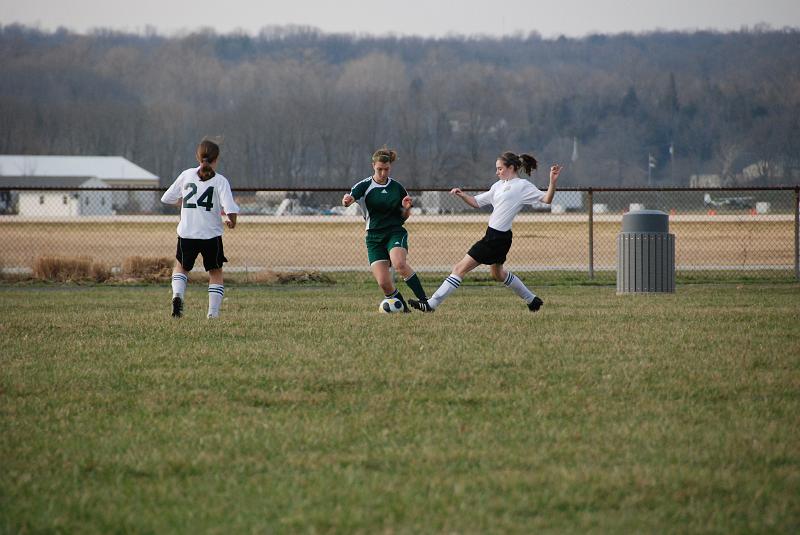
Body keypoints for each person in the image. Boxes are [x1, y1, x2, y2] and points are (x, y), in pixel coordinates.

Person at [409, 151, 562, 313]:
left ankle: (431, 304)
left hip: (496, 238)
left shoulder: (522, 186)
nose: (497, 172)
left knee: (459, 268)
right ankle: (532, 300)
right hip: (497, 237)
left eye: (500, 168)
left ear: (511, 167)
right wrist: (462, 195)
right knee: (498, 274)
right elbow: (476, 202)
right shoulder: (498, 186)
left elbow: (547, 199)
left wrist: (552, 181)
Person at [343, 147, 430, 312]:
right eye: (379, 169)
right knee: (384, 283)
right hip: (373, 237)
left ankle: (425, 302)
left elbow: (404, 216)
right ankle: (403, 309)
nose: (383, 173)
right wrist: (346, 201)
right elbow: (349, 200)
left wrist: (406, 208)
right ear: (373, 166)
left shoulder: (397, 188)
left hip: (394, 232)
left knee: (399, 264)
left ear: (390, 167)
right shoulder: (363, 186)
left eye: (386, 169)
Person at [161, 139, 239, 319]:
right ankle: (213, 313)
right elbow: (230, 208)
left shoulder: (186, 175)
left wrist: (181, 203)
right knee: (215, 271)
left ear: (198, 157)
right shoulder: (220, 181)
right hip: (211, 235)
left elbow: (167, 198)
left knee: (181, 267)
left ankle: (177, 296)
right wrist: (232, 222)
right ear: (216, 159)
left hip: (187, 232)